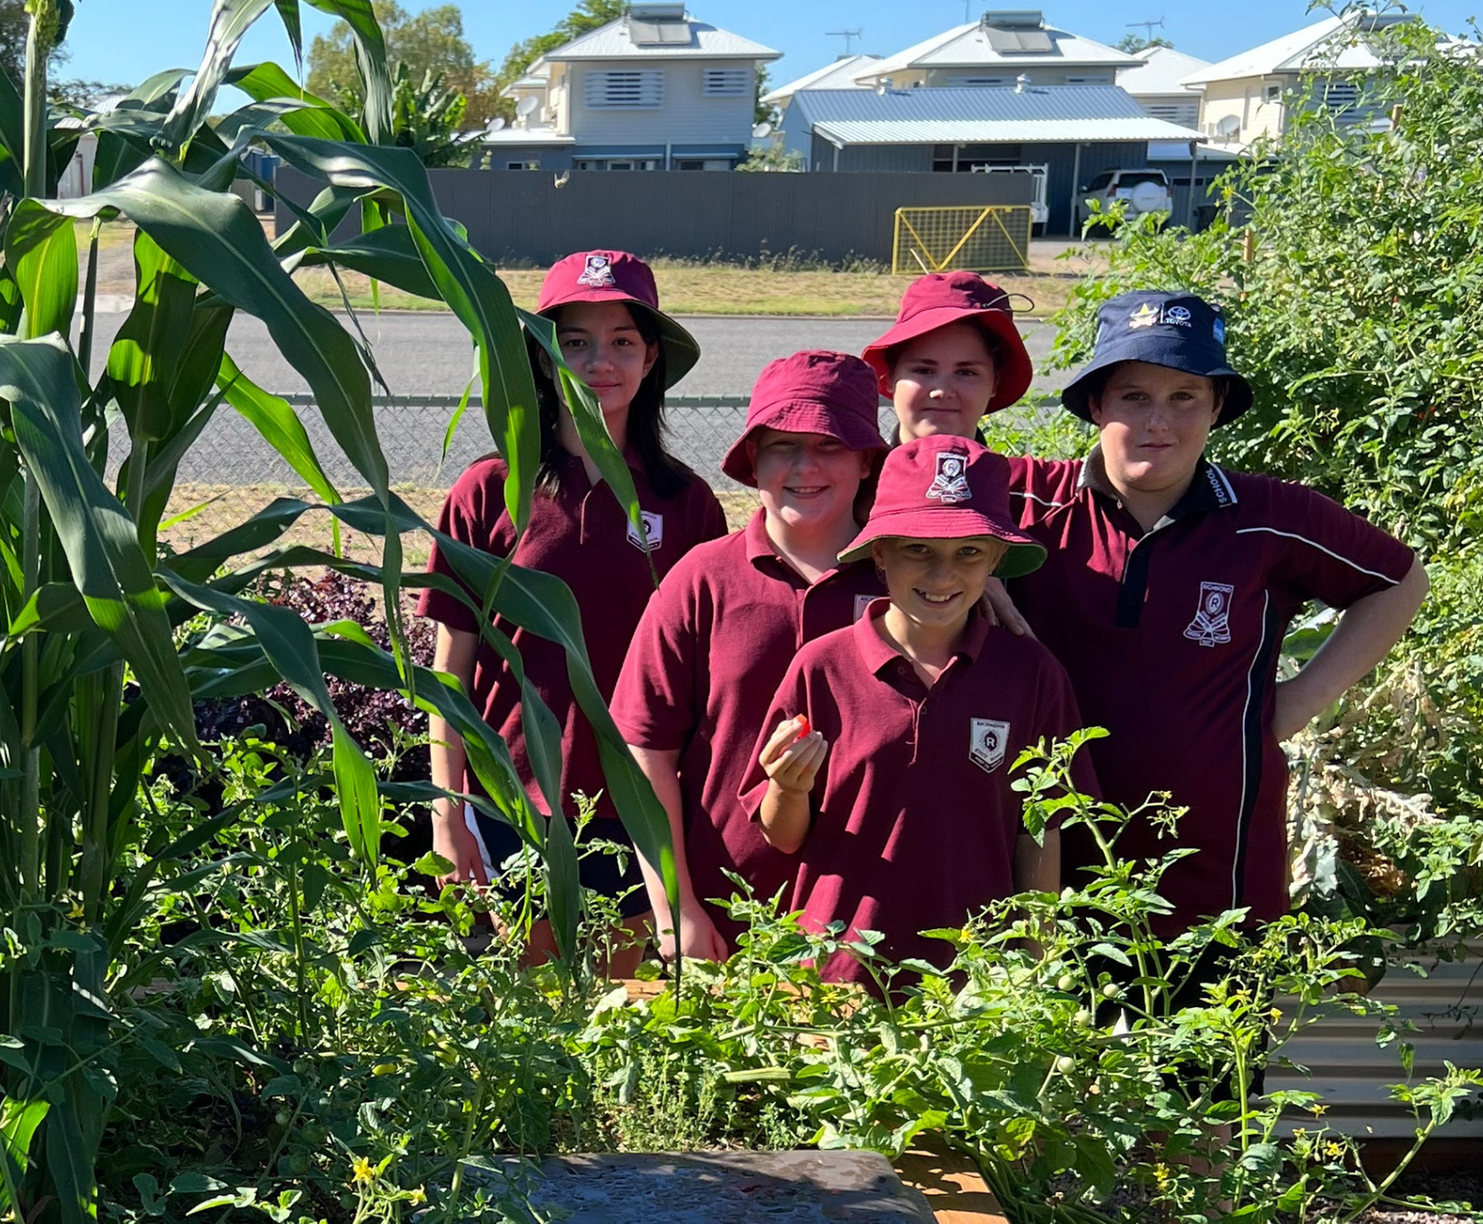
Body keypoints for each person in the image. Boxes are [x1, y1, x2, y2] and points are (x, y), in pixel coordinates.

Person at [1009, 288, 1430, 927]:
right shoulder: (1026, 502)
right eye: (1135, 397)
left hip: (1218, 874)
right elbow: (902, 480)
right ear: (1095, 404)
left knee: (1220, 1025)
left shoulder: (1269, 516)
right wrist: (969, 556)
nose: (1160, 421)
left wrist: (1296, 702)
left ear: (1217, 408)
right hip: (1049, 869)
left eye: (1185, 398)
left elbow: (1399, 580)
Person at [424, 247, 725, 903]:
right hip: (513, 800)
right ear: (542, 356)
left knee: (622, 999)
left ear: (651, 359)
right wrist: (447, 811)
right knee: (532, 998)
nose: (599, 363)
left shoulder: (687, 502)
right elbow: (451, 671)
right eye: (576, 342)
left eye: (622, 341)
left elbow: (711, 675)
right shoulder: (490, 490)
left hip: (645, 804)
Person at [739, 440, 1080, 982]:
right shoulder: (822, 667)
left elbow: (1040, 830)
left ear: (995, 559)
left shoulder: (1031, 674)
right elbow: (782, 836)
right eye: (917, 549)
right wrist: (788, 786)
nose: (943, 574)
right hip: (838, 972)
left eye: (968, 552)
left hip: (976, 982)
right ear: (880, 555)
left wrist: (1034, 965)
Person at [613, 352, 885, 960]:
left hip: (870, 922)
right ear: (753, 460)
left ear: (868, 459)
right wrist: (675, 908)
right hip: (725, 912)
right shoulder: (704, 579)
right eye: (782, 445)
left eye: (831, 444)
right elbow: (645, 755)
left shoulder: (910, 583)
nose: (805, 466)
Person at [863, 268, 1035, 457]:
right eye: (924, 370)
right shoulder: (847, 484)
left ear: (995, 382)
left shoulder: (1015, 485)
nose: (942, 392)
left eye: (966, 372)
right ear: (890, 375)